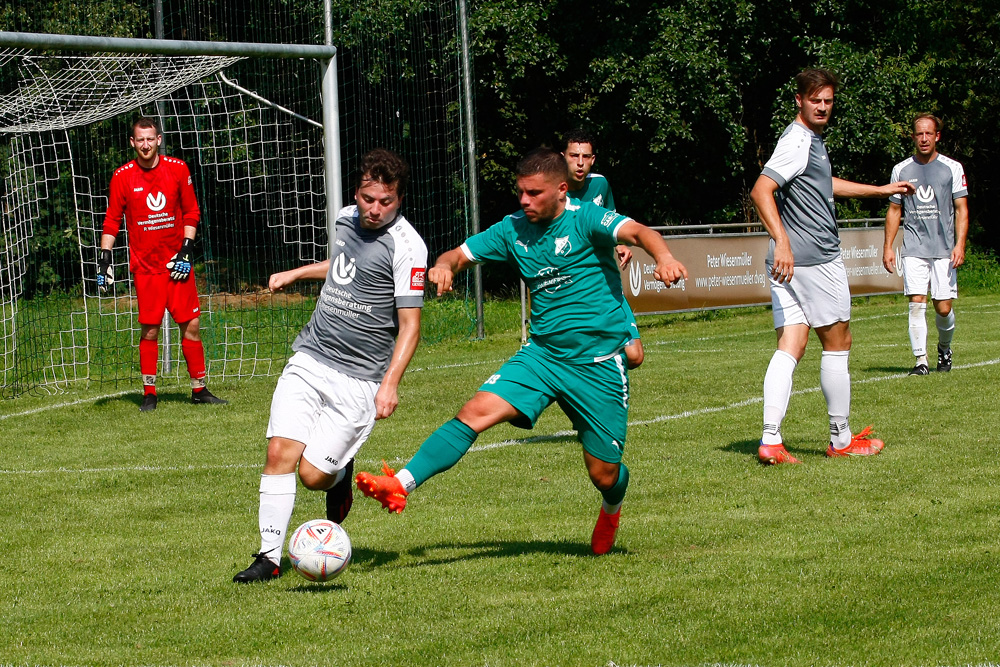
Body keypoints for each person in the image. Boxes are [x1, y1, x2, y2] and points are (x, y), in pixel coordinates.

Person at [355, 147, 687, 555]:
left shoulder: (585, 218)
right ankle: (401, 484)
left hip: (597, 364)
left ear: (561, 190)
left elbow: (640, 233)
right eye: (521, 193)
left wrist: (665, 256)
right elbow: (458, 254)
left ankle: (612, 505)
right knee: (474, 412)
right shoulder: (512, 229)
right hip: (542, 357)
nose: (524, 201)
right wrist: (444, 266)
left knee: (604, 474)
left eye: (534, 193)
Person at [233, 148, 427, 583]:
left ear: (399, 200)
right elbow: (344, 268)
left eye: (385, 202)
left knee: (313, 475)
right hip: (312, 355)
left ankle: (338, 477)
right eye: (367, 197)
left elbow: (411, 325)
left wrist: (390, 384)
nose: (374, 209)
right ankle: (269, 557)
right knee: (279, 453)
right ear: (357, 190)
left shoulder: (409, 247)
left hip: (360, 378)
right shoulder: (343, 218)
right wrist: (297, 274)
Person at [749, 68, 915, 465]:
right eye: (815, 100)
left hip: (789, 262)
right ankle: (841, 440)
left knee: (791, 345)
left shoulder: (810, 142)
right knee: (839, 344)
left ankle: (770, 440)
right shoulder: (798, 140)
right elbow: (761, 189)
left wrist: (879, 189)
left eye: (828, 101)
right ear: (799, 101)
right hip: (814, 259)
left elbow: (823, 183)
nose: (822, 107)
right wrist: (784, 241)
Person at [98, 117, 226, 412]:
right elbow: (112, 220)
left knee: (191, 325)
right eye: (139, 140)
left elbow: (192, 212)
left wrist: (185, 250)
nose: (145, 145)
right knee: (150, 330)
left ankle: (199, 389)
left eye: (150, 139)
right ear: (133, 143)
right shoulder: (122, 176)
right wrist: (104, 259)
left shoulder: (178, 169)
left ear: (158, 140)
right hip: (146, 268)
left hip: (177, 264)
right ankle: (149, 393)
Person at [882, 114, 969, 375]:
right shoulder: (901, 169)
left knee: (943, 308)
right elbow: (894, 209)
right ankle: (921, 361)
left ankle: (945, 348)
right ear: (912, 137)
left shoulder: (952, 168)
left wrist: (960, 244)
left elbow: (961, 209)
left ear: (937, 136)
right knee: (916, 302)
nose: (923, 139)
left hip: (944, 249)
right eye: (919, 134)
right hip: (914, 248)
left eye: (928, 134)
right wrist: (888, 246)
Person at [562, 128, 644, 368]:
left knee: (635, 355)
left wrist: (619, 244)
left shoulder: (600, 184)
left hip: (606, 285)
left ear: (593, 159)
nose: (579, 163)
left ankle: (593, 374)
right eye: (573, 155)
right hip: (572, 289)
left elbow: (612, 221)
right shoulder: (552, 192)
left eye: (585, 157)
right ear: (562, 157)